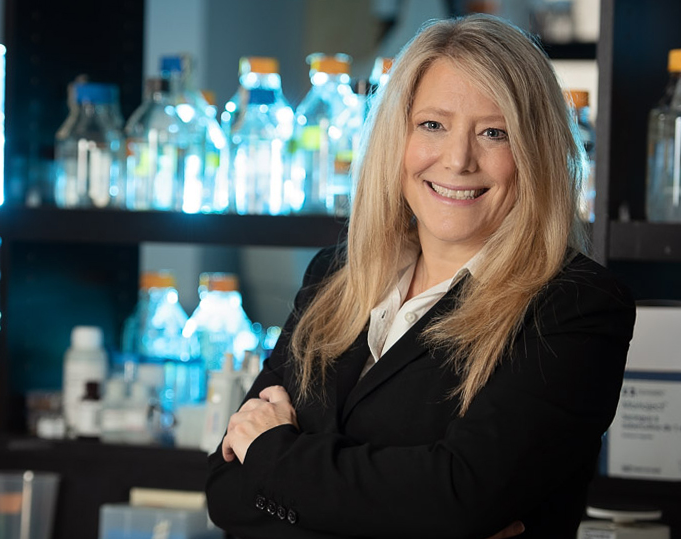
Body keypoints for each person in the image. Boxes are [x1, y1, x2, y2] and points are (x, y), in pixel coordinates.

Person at [206, 13, 635, 539]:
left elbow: (456, 499)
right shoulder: (336, 277)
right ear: (397, 139)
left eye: (494, 133)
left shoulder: (574, 305)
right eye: (433, 125)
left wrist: (274, 456)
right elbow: (227, 488)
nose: (458, 160)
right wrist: (404, 512)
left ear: (535, 154)